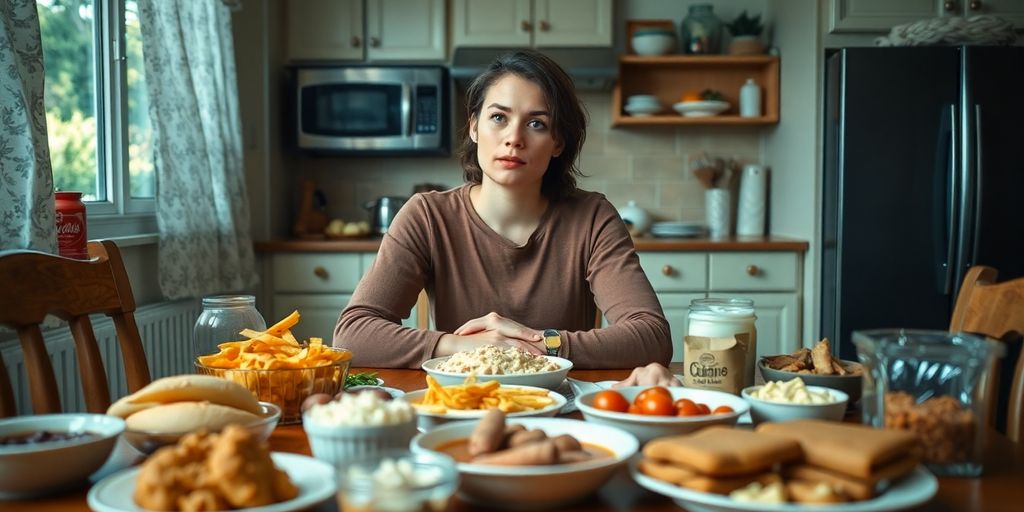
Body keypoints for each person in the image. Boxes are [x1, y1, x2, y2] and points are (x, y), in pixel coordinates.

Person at [333, 49, 671, 370]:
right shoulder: (426, 216)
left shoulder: (593, 217)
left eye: (536, 123)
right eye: (498, 117)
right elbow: (352, 334)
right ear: (474, 127)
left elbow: (652, 337)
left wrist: (538, 345)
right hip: (459, 405)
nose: (514, 138)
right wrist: (459, 345)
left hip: (561, 406)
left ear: (558, 143)